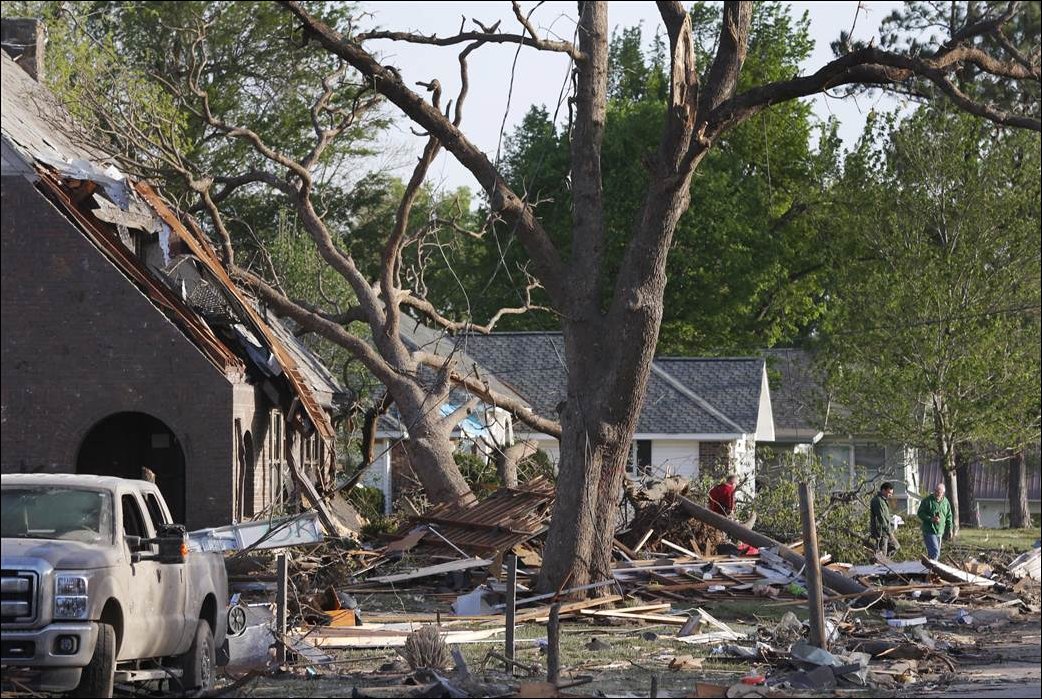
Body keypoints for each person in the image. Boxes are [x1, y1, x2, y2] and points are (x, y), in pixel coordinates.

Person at [917, 482, 954, 560]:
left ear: (943, 493)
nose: (937, 493)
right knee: (935, 552)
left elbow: (949, 516)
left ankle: (930, 570)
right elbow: (920, 513)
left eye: (939, 492)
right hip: (929, 531)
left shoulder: (946, 502)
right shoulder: (927, 501)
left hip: (940, 531)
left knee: (935, 554)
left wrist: (950, 529)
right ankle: (934, 569)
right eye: (936, 491)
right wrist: (931, 519)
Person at [870, 482, 900, 557]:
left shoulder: (883, 501)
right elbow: (881, 518)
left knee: (895, 546)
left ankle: (884, 560)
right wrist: (889, 532)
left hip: (885, 531)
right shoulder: (878, 501)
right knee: (882, 553)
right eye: (889, 493)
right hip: (881, 532)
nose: (890, 495)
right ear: (883, 490)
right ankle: (881, 563)